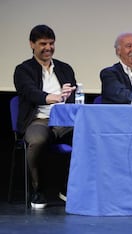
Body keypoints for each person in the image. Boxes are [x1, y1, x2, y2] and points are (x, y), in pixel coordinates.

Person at [13, 25, 77, 209]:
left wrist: (67, 96)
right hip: (39, 119)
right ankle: (37, 189)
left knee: (87, 137)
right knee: (37, 140)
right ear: (32, 44)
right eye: (43, 44)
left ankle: (68, 188)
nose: (48, 47)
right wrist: (51, 97)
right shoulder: (23, 70)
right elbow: (30, 92)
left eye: (51, 43)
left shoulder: (65, 68)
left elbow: (72, 95)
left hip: (64, 120)